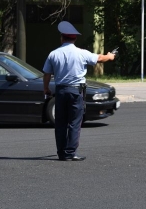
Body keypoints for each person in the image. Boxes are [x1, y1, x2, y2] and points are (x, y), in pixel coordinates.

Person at [42, 21, 116, 161]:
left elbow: (46, 73)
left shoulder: (53, 54)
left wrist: (46, 88)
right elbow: (100, 58)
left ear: (62, 38)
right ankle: (71, 152)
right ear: (74, 38)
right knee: (75, 122)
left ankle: (61, 153)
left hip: (61, 91)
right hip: (76, 91)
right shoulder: (81, 53)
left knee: (61, 123)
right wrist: (110, 56)